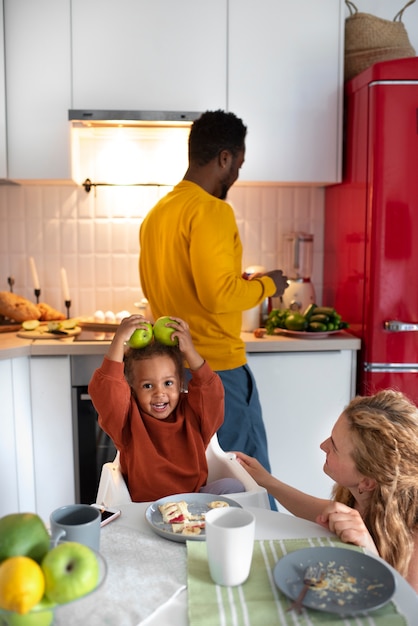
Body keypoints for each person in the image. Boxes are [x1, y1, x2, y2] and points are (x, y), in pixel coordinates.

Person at [139, 110, 288, 508]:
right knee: (247, 481)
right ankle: (258, 562)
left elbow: (173, 290)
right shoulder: (211, 210)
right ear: (224, 157)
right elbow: (218, 296)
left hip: (173, 373)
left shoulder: (157, 215)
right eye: (238, 164)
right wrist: (270, 283)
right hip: (217, 372)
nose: (236, 174)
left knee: (194, 487)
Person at [235, 389, 418, 591]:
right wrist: (266, 481)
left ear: (367, 481)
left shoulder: (412, 540)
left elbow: (406, 613)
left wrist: (370, 554)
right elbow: (321, 510)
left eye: (334, 447)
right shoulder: (360, 495)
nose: (323, 445)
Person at [88, 314, 244, 502]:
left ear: (180, 384)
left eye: (168, 383)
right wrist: (119, 341)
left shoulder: (194, 413)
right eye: (147, 385)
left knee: (233, 487)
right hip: (147, 509)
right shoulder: (126, 419)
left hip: (192, 504)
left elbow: (211, 391)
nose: (159, 393)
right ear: (132, 389)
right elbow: (107, 391)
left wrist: (190, 351)